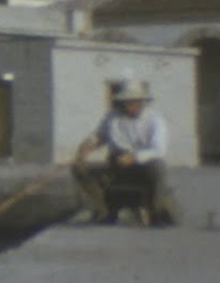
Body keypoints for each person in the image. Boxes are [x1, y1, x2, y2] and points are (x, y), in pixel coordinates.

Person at [72, 79, 168, 227]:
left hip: (143, 164)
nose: (132, 105)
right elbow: (99, 135)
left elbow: (159, 149)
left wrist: (134, 157)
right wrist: (86, 146)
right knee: (80, 169)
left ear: (142, 101)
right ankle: (102, 211)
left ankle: (155, 213)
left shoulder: (155, 120)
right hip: (116, 162)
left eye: (136, 101)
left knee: (158, 167)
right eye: (128, 101)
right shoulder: (113, 117)